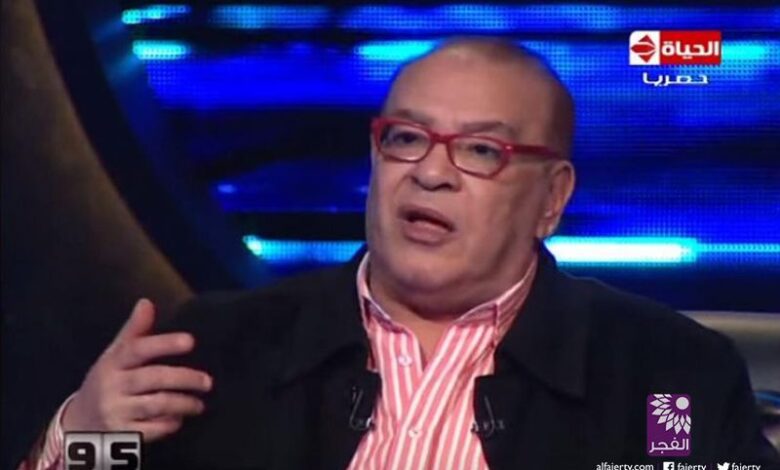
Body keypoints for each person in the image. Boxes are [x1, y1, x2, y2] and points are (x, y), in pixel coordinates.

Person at [20, 37, 780, 470]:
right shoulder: (214, 350)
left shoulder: (667, 374)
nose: (431, 171)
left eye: (480, 150)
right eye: (407, 138)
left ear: (552, 199)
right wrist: (84, 432)